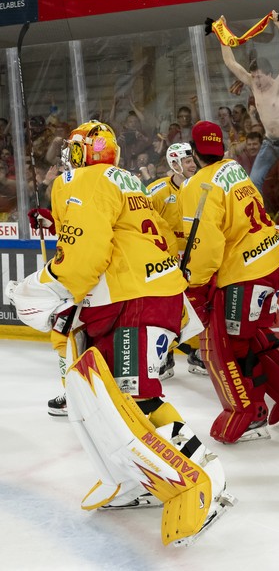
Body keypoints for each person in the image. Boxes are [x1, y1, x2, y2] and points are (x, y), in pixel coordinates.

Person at [7, 120, 234, 545]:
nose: (68, 158)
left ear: (83, 153)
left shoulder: (83, 180)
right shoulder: (126, 179)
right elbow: (145, 237)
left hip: (134, 302)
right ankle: (139, 478)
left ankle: (204, 478)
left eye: (74, 149)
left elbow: (85, 255)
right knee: (118, 399)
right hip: (152, 296)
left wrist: (50, 280)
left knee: (133, 400)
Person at [180, 121, 279, 444]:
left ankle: (251, 413)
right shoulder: (234, 170)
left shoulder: (198, 186)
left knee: (231, 344)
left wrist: (194, 284)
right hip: (270, 256)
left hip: (246, 272)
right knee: (251, 333)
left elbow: (206, 247)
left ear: (194, 151)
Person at [219, 11, 279, 193]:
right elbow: (230, 63)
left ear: (269, 74)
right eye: (253, 76)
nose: (255, 80)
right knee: (254, 181)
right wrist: (221, 33)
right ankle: (256, 216)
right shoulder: (254, 85)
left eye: (259, 76)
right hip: (269, 142)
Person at [147, 142, 207, 377]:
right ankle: (165, 357)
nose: (193, 164)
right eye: (188, 161)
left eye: (193, 160)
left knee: (195, 306)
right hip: (166, 263)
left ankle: (195, 354)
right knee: (166, 310)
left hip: (194, 260)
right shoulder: (157, 191)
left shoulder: (200, 187)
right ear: (174, 164)